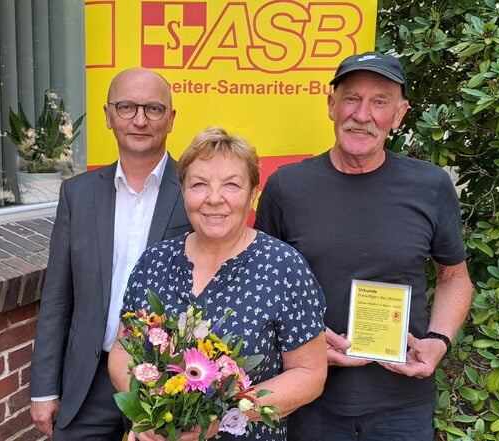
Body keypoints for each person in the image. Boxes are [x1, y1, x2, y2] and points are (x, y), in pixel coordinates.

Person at [254, 51, 474, 440]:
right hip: (309, 399)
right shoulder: (287, 187)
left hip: (402, 405)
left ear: (400, 114)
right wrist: (301, 339)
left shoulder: (430, 186)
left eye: (380, 102)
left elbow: (454, 277)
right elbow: (262, 286)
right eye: (352, 98)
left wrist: (438, 342)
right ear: (331, 105)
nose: (362, 114)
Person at [109, 126, 328, 441]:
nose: (214, 199)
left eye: (232, 185)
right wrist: (148, 409)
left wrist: (224, 413)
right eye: (199, 184)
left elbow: (310, 375)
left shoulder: (284, 267)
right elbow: (121, 350)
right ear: (182, 190)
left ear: (253, 192)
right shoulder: (154, 262)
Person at [29, 67, 193, 440]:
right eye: (126, 107)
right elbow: (58, 296)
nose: (139, 120)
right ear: (107, 115)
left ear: (171, 119)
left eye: (153, 109)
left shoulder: (195, 192)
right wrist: (44, 387)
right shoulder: (78, 194)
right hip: (89, 381)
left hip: (172, 382)